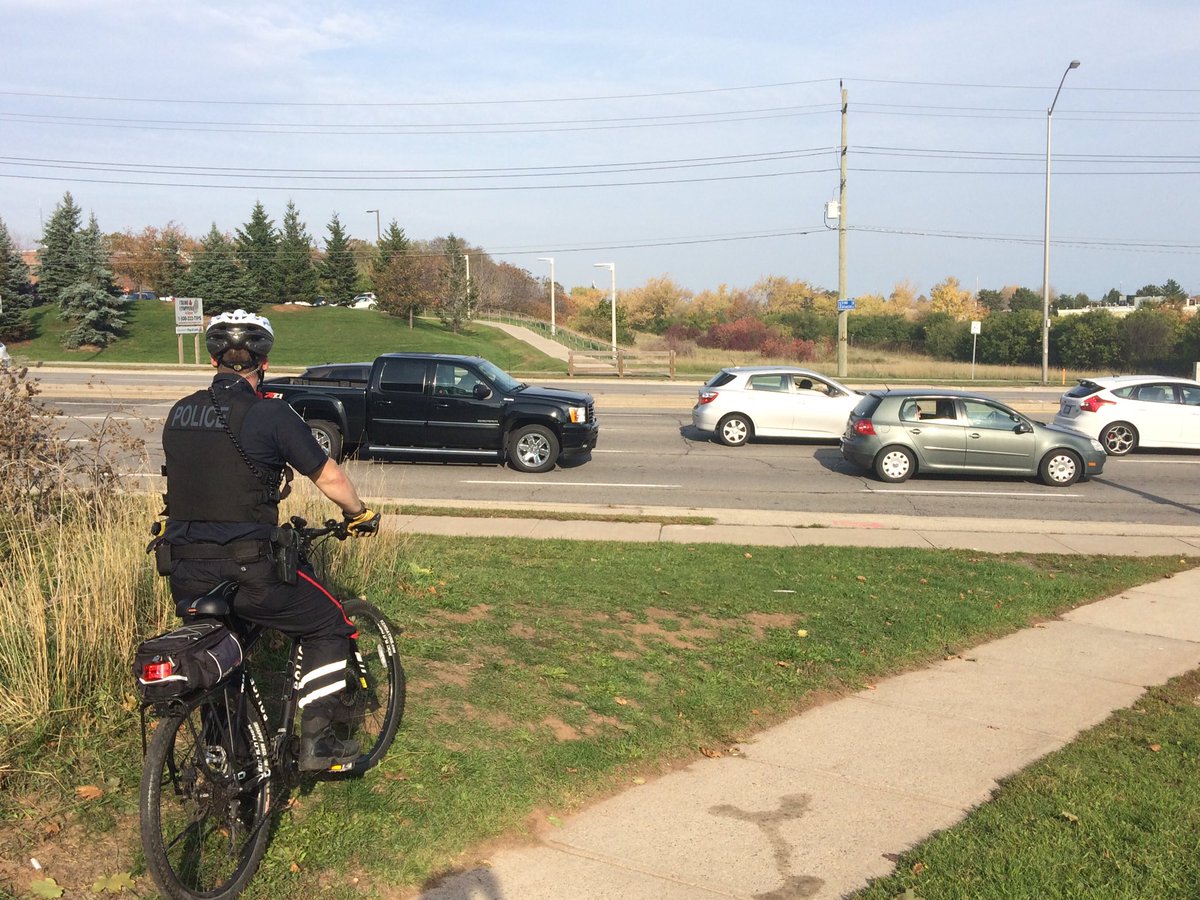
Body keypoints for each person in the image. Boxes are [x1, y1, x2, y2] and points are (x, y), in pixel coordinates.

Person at [159, 309, 381, 771]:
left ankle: (234, 760)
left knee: (225, 652)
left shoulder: (180, 411)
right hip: (249, 569)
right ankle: (318, 742)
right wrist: (359, 514)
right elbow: (328, 475)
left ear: (214, 359)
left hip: (184, 570)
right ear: (263, 360)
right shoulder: (271, 413)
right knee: (328, 624)